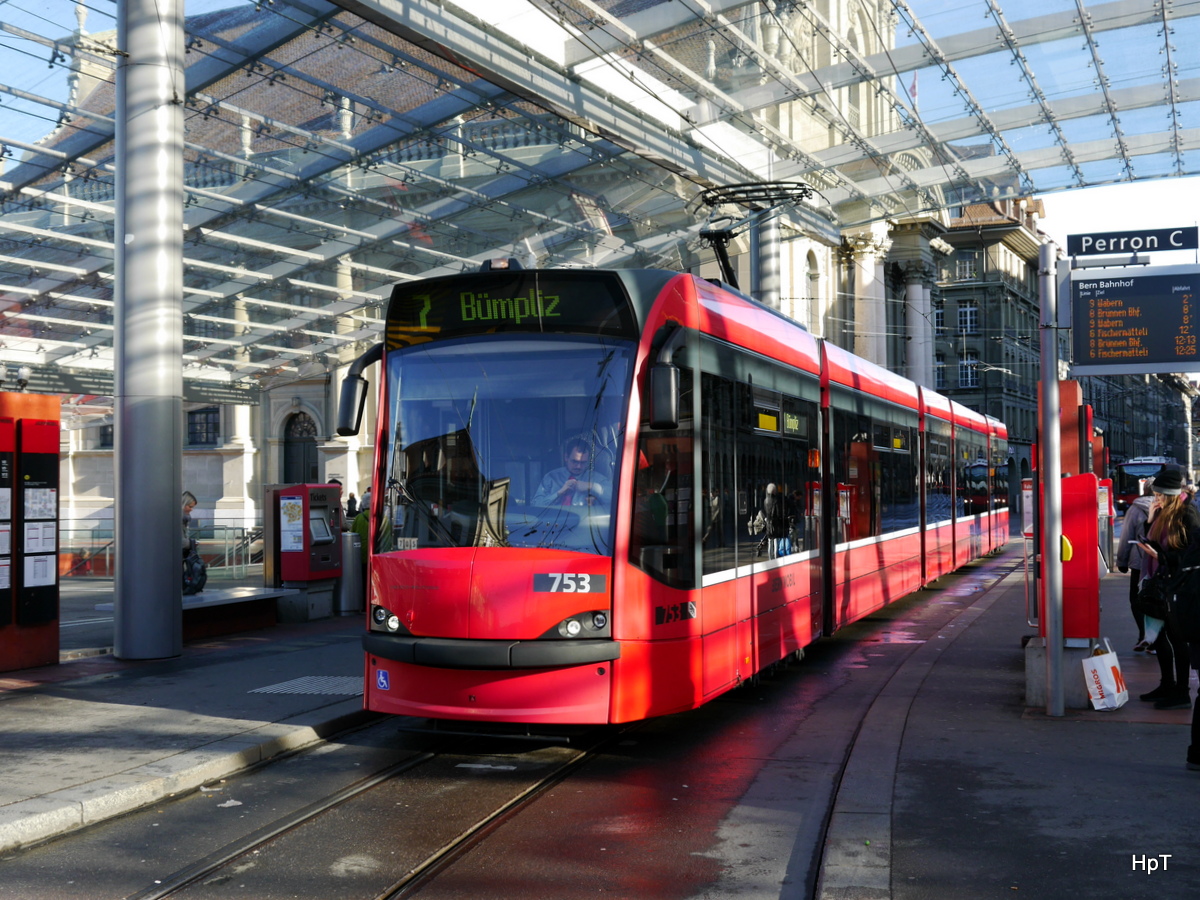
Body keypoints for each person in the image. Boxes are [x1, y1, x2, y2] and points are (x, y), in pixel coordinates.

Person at [1139, 467, 1196, 712]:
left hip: (1178, 585)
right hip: (1160, 581)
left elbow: (1190, 554)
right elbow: (1153, 542)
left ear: (1171, 495)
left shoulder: (1187, 514)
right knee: (1160, 637)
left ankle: (1181, 692)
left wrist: (1161, 558)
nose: (1156, 499)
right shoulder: (1162, 513)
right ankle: (1167, 684)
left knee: (1177, 639)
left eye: (1160, 495)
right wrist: (1150, 519)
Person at [1116, 477, 1155, 652]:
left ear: (1144, 490)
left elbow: (1126, 536)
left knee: (1136, 599)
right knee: (1158, 599)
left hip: (1139, 561)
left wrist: (1122, 561)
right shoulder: (1168, 506)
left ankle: (1144, 634)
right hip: (1160, 562)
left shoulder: (1135, 509)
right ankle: (1156, 638)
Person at [533, 437, 611, 507]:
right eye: (575, 461)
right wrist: (558, 494)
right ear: (566, 457)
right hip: (554, 518)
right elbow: (535, 505)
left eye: (583, 462)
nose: (578, 466)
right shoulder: (551, 478)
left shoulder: (597, 479)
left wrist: (592, 487)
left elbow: (615, 501)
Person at [181, 490, 197, 557]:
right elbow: (181, 542)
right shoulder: (178, 519)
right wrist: (192, 543)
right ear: (183, 504)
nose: (191, 509)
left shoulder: (184, 519)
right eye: (190, 507)